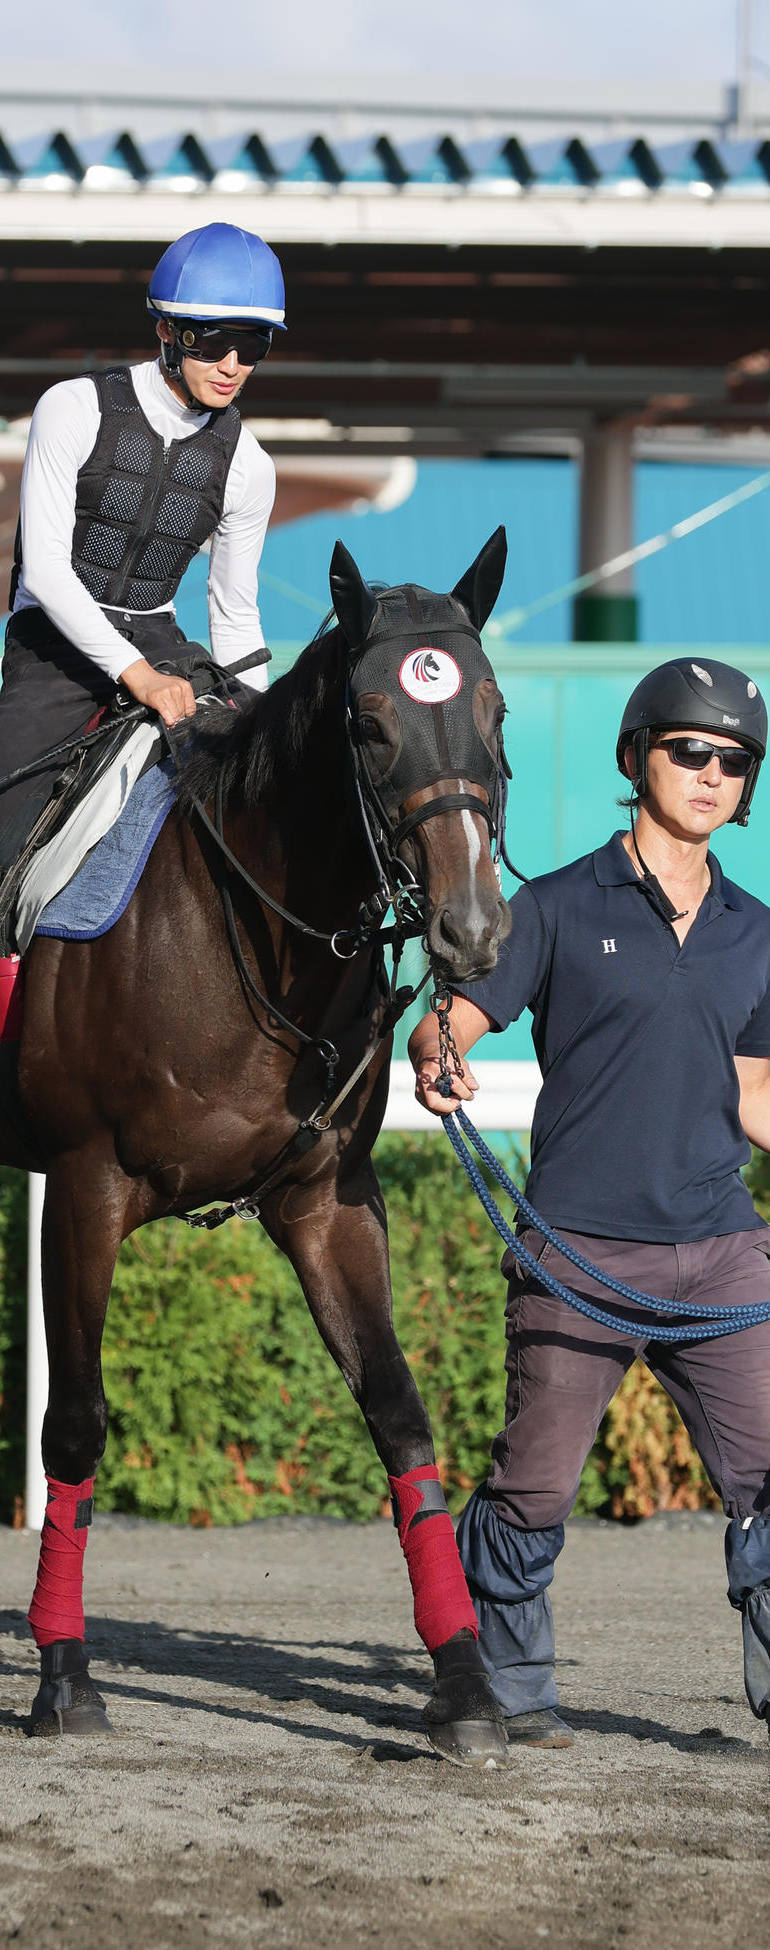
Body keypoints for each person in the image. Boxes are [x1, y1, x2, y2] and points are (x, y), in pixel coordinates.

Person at [407, 656, 770, 1747]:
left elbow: (754, 1092)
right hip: (579, 1250)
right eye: (687, 750)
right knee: (531, 1487)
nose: (709, 773)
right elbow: (452, 1023)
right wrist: (438, 1056)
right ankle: (501, 1691)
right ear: (635, 757)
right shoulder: (557, 905)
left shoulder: (757, 930)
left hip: (721, 1253)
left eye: (733, 761)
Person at [0, 222, 282, 1102]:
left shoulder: (249, 466)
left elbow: (235, 611)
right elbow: (47, 572)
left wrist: (256, 729)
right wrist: (136, 679)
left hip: (163, 641)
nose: (232, 363)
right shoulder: (73, 406)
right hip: (54, 649)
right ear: (168, 333)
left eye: (252, 345)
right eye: (215, 340)